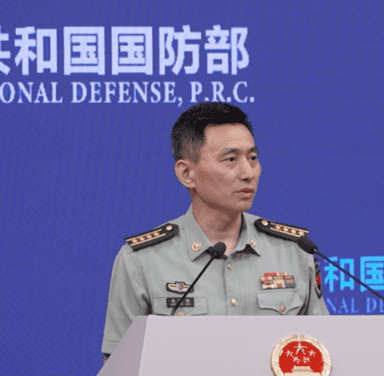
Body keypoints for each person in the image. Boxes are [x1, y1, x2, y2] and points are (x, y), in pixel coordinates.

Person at [102, 102, 329, 361]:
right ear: (186, 174)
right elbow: (118, 371)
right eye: (231, 159)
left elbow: (321, 352)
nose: (248, 173)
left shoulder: (294, 251)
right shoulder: (142, 261)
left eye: (252, 158)